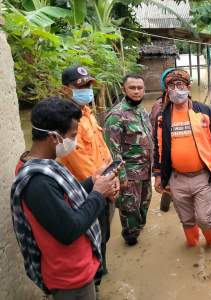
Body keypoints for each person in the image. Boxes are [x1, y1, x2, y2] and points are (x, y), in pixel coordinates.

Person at [11, 98, 119, 300]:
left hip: (78, 267)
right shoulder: (38, 182)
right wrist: (98, 194)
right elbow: (69, 230)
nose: (75, 141)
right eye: (72, 135)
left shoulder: (43, 164)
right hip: (71, 278)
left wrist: (92, 181)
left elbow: (65, 197)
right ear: (54, 137)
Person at [153, 69, 211, 247]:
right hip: (177, 178)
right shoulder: (163, 117)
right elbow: (157, 147)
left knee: (204, 218)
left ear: (188, 87)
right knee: (186, 218)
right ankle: (192, 244)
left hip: (201, 176)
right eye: (171, 86)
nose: (176, 89)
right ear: (167, 90)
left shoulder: (204, 111)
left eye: (180, 85)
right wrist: (158, 175)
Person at [59, 66, 113, 275]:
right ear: (65, 90)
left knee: (103, 236)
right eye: (80, 86)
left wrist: (112, 175)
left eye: (89, 84)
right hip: (87, 191)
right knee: (91, 240)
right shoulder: (66, 121)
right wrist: (103, 184)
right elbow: (80, 162)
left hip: (103, 185)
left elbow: (102, 147)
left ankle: (101, 271)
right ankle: (94, 282)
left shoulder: (88, 113)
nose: (87, 90)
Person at [104, 74, 153, 246]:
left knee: (144, 206)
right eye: (132, 88)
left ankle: (137, 229)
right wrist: (121, 177)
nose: (137, 91)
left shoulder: (143, 112)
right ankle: (130, 238)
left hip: (146, 171)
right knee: (129, 209)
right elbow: (113, 150)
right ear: (123, 89)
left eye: (140, 88)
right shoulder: (116, 116)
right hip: (129, 175)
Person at [150, 67, 175, 212]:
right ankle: (165, 207)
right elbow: (155, 133)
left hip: (179, 152)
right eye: (171, 83)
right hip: (164, 152)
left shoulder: (185, 103)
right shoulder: (159, 106)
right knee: (167, 184)